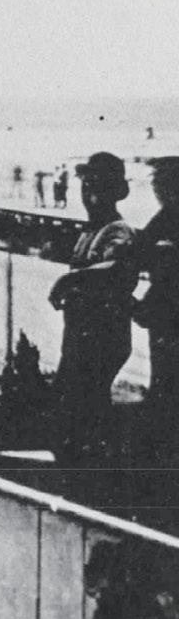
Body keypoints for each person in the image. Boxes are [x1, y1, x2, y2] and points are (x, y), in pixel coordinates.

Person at [49, 152, 138, 462]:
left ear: (116, 192)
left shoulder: (118, 230)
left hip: (104, 336)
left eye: (98, 187)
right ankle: (86, 461)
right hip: (79, 334)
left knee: (86, 402)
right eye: (86, 188)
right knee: (75, 402)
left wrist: (70, 280)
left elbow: (117, 268)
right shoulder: (89, 231)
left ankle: (94, 469)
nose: (90, 196)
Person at [134, 157, 179, 436]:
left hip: (168, 307)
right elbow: (142, 249)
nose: (156, 190)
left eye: (161, 183)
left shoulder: (170, 216)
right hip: (164, 307)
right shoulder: (166, 216)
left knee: (166, 372)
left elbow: (142, 251)